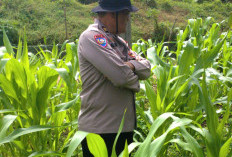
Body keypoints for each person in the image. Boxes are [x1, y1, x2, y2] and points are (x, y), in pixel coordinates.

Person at [77, 0, 151, 156]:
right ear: (112, 14)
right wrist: (132, 79)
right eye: (125, 14)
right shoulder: (92, 38)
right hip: (100, 131)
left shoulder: (119, 42)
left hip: (122, 127)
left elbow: (146, 68)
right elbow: (121, 78)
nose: (128, 19)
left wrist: (129, 66)